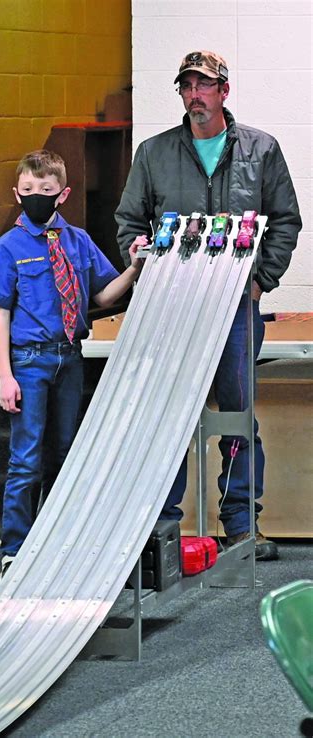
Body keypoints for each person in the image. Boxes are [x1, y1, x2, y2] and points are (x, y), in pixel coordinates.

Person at [115, 50, 302, 561]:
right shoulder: (153, 154)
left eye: (204, 85)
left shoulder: (261, 150)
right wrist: (135, 251)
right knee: (170, 416)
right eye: (186, 86)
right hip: (172, 310)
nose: (195, 94)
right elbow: (128, 222)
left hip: (238, 310)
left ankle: (242, 526)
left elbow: (286, 220)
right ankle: (165, 529)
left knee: (238, 416)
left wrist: (262, 280)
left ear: (224, 92)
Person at [0, 149, 144, 578]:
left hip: (69, 358)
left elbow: (102, 297)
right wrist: (4, 376)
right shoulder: (8, 246)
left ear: (62, 194)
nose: (36, 196)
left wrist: (135, 269)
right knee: (26, 456)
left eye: (45, 191)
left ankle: (55, 538)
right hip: (28, 361)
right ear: (17, 193)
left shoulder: (78, 241)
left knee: (66, 452)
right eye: (28, 190)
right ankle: (16, 547)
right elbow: (0, 313)